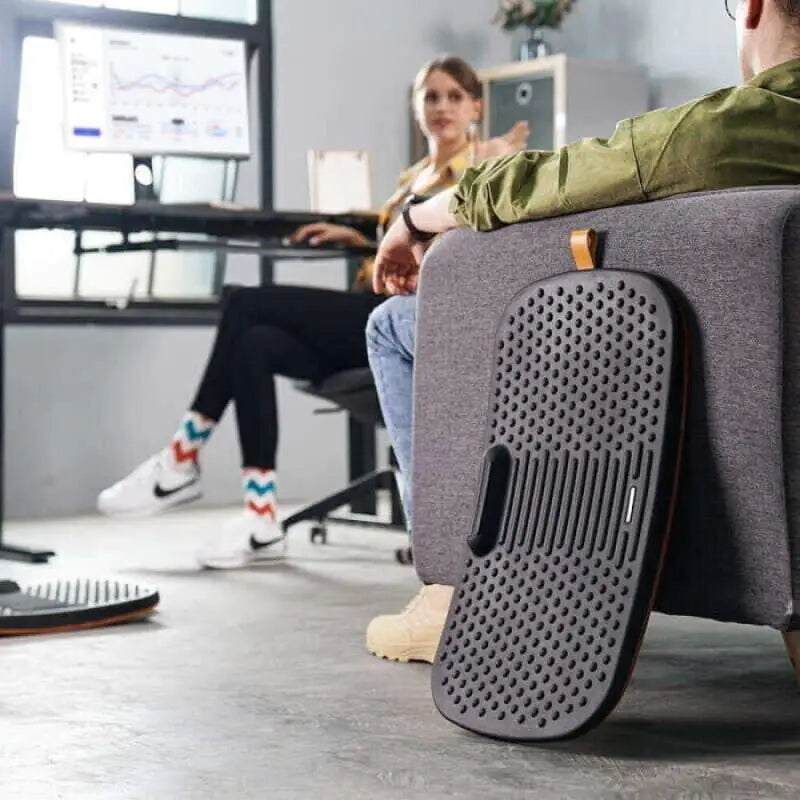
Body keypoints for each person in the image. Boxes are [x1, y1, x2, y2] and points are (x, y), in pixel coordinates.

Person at [364, 0, 800, 663]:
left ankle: (453, 583)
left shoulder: (719, 135)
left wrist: (420, 221)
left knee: (394, 324)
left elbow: (553, 180)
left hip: (643, 406)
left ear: (755, 9)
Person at [97, 55, 528, 570]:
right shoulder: (414, 176)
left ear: (476, 106)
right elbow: (400, 231)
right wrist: (361, 235)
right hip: (366, 312)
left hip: (399, 320)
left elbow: (468, 222)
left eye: (454, 97)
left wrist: (494, 156)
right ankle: (260, 519)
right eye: (431, 97)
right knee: (254, 344)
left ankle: (182, 456)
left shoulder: (481, 164)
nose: (442, 107)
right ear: (417, 108)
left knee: (243, 300)